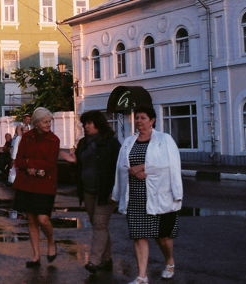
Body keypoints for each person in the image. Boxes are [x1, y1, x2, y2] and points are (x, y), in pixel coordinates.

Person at [112, 106, 183, 284]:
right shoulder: (129, 142)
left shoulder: (164, 140)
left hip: (160, 195)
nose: (139, 121)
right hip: (136, 196)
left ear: (152, 120)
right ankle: (142, 276)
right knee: (139, 235)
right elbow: (121, 165)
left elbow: (171, 165)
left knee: (162, 236)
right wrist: (133, 171)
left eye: (143, 118)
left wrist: (145, 167)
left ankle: (169, 261)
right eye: (137, 118)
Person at [12, 107, 72, 268]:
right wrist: (31, 167)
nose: (48, 124)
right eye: (45, 122)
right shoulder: (27, 138)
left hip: (45, 184)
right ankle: (36, 256)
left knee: (43, 219)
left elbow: (50, 163)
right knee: (31, 219)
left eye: (49, 121)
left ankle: (51, 241)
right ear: (36, 123)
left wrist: (32, 165)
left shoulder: (54, 140)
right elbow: (19, 159)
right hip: (26, 183)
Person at [65, 110, 121, 274]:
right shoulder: (83, 143)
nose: (86, 126)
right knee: (99, 226)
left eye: (89, 123)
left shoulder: (111, 143)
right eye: (84, 124)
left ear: (98, 124)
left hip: (105, 192)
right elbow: (80, 166)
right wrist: (73, 162)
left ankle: (94, 260)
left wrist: (115, 191)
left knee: (99, 224)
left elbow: (119, 169)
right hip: (88, 191)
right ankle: (107, 259)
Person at [8, 113, 31, 184]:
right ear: (23, 119)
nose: (28, 121)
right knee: (14, 160)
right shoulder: (19, 126)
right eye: (27, 119)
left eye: (29, 119)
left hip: (24, 144)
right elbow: (20, 135)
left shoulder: (29, 126)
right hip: (16, 144)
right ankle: (11, 178)